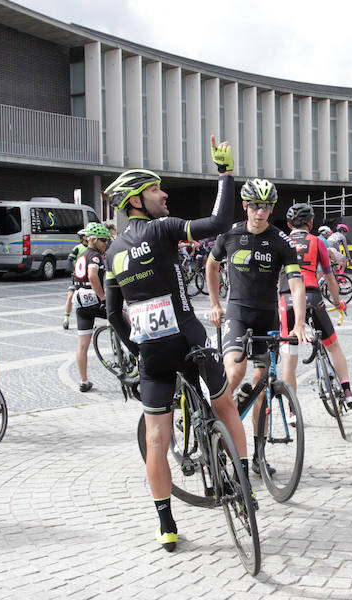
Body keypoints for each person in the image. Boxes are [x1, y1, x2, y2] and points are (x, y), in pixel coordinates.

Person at [104, 138, 242, 552]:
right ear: (137, 200)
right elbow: (218, 222)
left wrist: (137, 350)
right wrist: (225, 173)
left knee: (157, 441)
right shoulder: (161, 228)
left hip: (151, 355)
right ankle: (243, 480)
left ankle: (166, 525)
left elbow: (113, 316)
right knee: (224, 405)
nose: (164, 195)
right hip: (189, 341)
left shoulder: (111, 252)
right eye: (156, 190)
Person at [206, 177, 307, 478]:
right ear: (245, 206)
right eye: (254, 205)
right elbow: (211, 266)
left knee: (262, 389)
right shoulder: (229, 234)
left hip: (267, 317)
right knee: (235, 372)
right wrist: (214, 303)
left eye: (266, 206)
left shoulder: (281, 241)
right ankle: (215, 423)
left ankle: (258, 455)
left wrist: (300, 322)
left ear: (272, 208)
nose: (260, 212)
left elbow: (296, 282)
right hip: (237, 313)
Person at [279, 203, 352, 407]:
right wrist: (338, 302)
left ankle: (293, 410)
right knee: (333, 345)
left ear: (288, 224)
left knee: (289, 356)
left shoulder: (282, 242)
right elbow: (330, 278)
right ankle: (347, 391)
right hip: (312, 294)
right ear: (311, 224)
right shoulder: (317, 242)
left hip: (287, 297)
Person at [71, 222, 110, 393]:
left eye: (107, 240)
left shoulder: (82, 254)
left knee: (82, 345)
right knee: (124, 318)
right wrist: (103, 297)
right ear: (93, 240)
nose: (106, 244)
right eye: (103, 240)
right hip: (94, 299)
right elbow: (92, 275)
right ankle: (135, 357)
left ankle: (83, 380)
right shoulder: (95, 256)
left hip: (80, 301)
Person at [62, 229, 89, 329]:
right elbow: (69, 260)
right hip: (77, 277)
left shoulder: (92, 249)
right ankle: (66, 318)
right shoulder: (78, 248)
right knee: (70, 296)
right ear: (84, 238)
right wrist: (74, 270)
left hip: (88, 277)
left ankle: (88, 319)